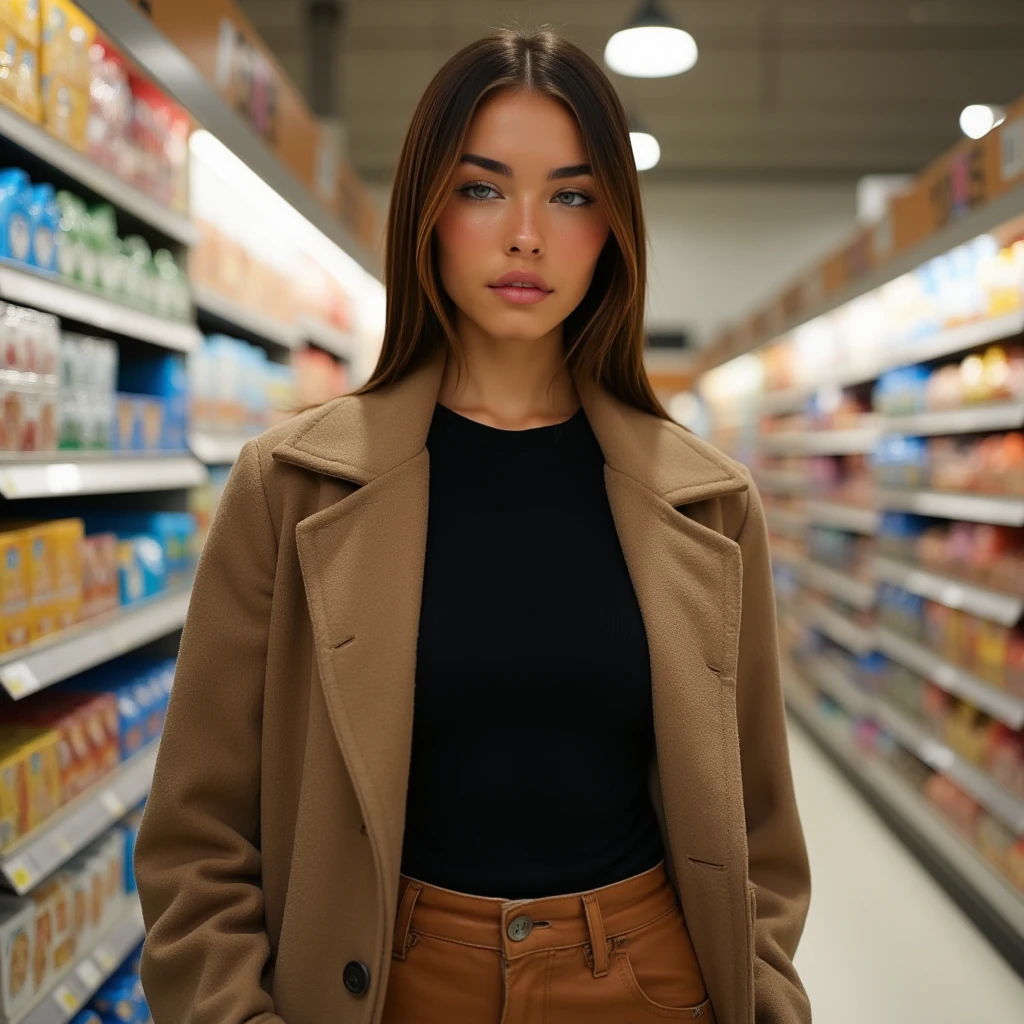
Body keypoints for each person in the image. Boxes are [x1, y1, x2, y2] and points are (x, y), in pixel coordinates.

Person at [134, 26, 811, 1024]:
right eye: (483, 187)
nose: (526, 233)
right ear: (426, 212)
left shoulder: (708, 503)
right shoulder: (288, 487)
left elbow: (758, 833)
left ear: (615, 225)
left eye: (573, 195)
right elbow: (198, 838)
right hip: (383, 984)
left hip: (645, 983)